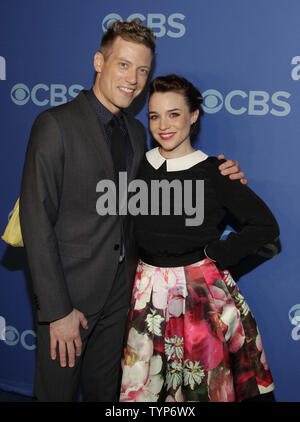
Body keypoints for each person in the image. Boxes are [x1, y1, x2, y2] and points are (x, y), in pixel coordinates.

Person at [19, 21, 247, 402]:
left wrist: (224, 175)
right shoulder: (55, 124)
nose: (134, 79)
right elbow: (36, 220)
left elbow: (169, 188)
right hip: (69, 298)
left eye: (143, 70)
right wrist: (57, 312)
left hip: (123, 297)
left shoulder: (138, 133)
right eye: (124, 65)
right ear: (98, 62)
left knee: (108, 397)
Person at [119, 74, 280, 402]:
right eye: (154, 115)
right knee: (145, 391)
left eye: (174, 114)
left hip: (199, 299)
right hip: (145, 295)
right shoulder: (140, 166)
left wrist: (217, 252)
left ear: (193, 116)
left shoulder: (215, 172)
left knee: (201, 390)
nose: (163, 125)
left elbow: (265, 226)